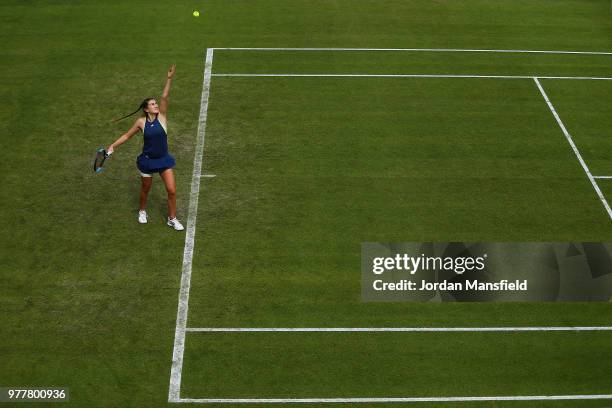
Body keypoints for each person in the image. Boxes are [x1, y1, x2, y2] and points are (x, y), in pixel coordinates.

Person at [107, 64, 184, 231]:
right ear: (146, 108)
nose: (156, 105)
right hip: (147, 161)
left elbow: (165, 97)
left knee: (171, 190)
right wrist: (112, 146)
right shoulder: (141, 122)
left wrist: (169, 79)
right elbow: (127, 135)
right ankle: (142, 211)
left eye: (156, 103)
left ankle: (172, 218)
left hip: (163, 160)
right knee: (145, 189)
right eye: (152, 104)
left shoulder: (162, 117)